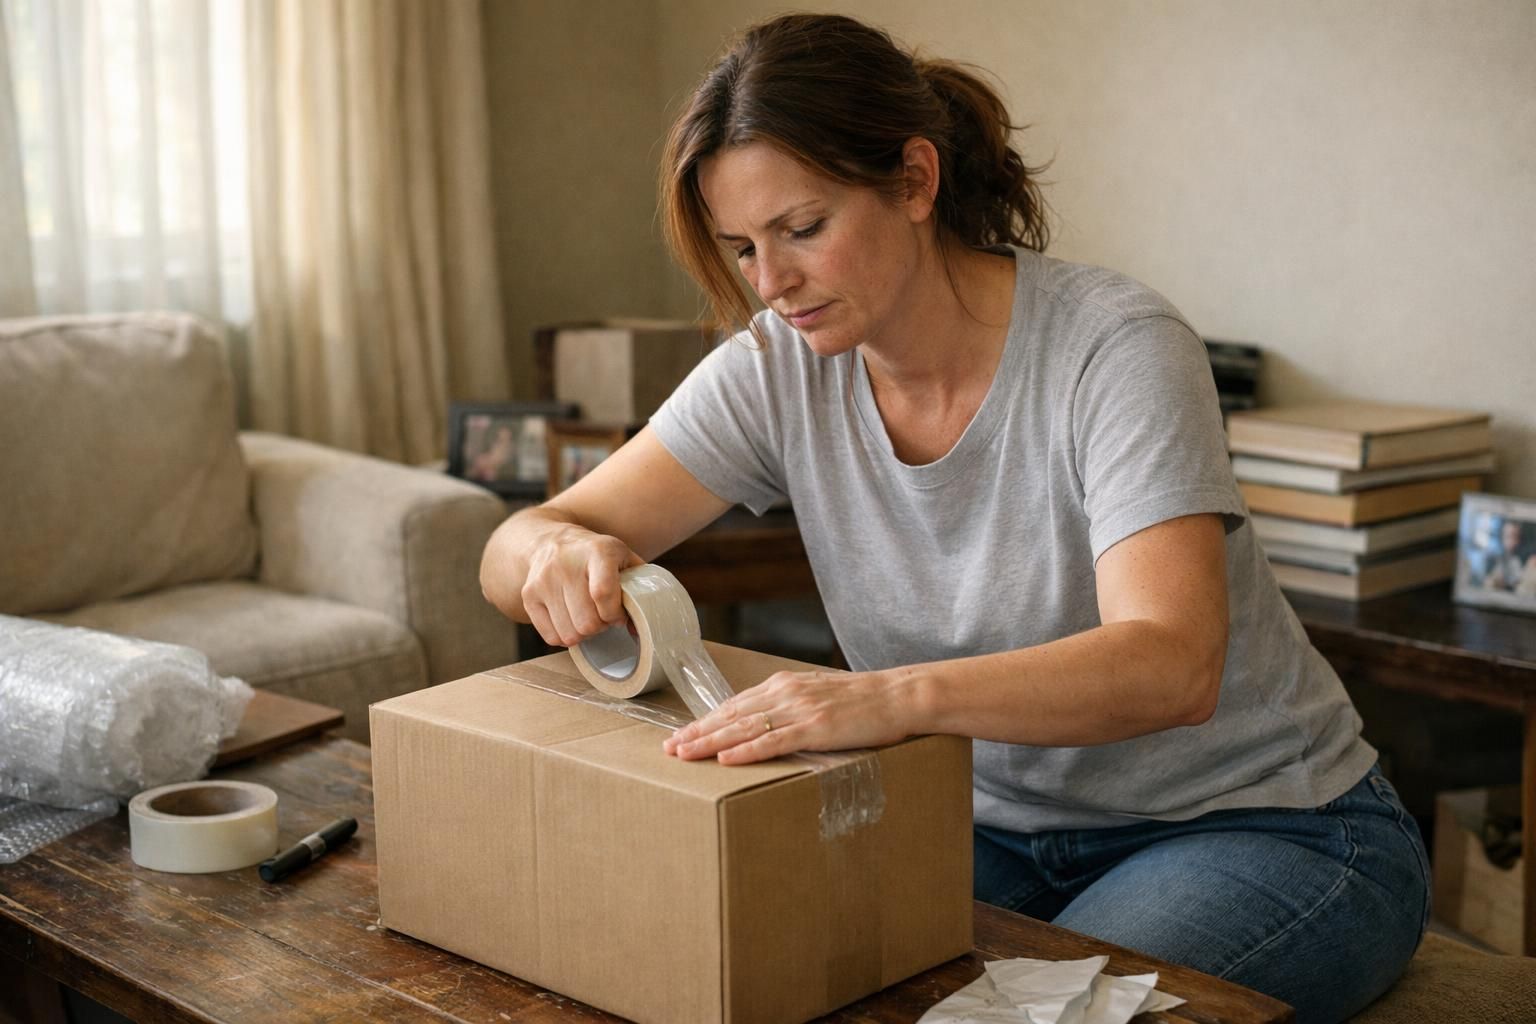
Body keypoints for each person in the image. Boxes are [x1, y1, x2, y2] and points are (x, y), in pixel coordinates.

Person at [479, 14, 1427, 1022]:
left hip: (1264, 826)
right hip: (978, 824)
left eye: (804, 229)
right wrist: (556, 549)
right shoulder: (778, 367)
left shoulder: (1118, 349)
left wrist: (879, 699)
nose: (772, 282)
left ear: (916, 181)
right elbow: (516, 541)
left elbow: (1172, 662)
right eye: (744, 247)